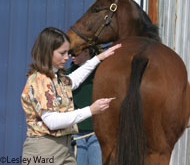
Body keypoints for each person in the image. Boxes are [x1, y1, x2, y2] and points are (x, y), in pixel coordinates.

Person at [21, 27, 121, 165]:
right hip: (44, 150)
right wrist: (91, 110)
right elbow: (52, 121)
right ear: (48, 52)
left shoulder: (57, 78)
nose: (67, 57)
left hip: (65, 147)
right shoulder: (40, 80)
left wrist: (98, 58)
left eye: (67, 52)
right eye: (62, 53)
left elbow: (74, 78)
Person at [66, 46, 102, 165]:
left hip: (96, 133)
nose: (70, 56)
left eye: (74, 53)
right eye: (69, 53)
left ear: (86, 51)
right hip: (76, 134)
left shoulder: (102, 73)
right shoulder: (68, 76)